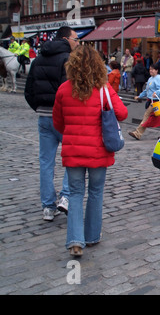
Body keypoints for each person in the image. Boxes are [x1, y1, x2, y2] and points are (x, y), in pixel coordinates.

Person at [52, 45, 128, 257]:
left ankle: (75, 241)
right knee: (95, 192)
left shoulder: (64, 89)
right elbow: (122, 113)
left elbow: (58, 123)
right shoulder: (104, 88)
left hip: (73, 151)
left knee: (75, 194)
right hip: (99, 152)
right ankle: (92, 236)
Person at [24, 26, 80, 221]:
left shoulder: (38, 59)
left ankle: (48, 207)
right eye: (76, 39)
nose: (77, 42)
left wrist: (40, 108)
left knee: (46, 162)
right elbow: (72, 90)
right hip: (64, 118)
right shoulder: (68, 60)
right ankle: (65, 196)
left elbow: (28, 90)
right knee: (72, 157)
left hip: (44, 117)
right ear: (66, 39)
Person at [128, 64, 160, 140]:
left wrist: (156, 93)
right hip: (153, 101)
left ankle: (138, 133)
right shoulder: (150, 79)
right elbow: (146, 90)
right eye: (150, 69)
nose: (151, 71)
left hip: (156, 101)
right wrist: (140, 96)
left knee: (147, 116)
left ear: (157, 70)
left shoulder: (159, 78)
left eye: (152, 69)